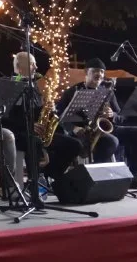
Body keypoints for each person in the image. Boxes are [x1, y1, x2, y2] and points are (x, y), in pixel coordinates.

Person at [56, 58, 137, 185]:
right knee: (111, 141)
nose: (99, 74)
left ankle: (134, 176)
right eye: (95, 71)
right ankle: (98, 178)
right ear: (86, 72)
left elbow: (121, 116)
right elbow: (59, 115)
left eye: (101, 71)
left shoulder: (107, 91)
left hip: (107, 129)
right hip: (85, 132)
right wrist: (73, 128)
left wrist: (112, 115)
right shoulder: (72, 91)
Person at [7, 52, 84, 181]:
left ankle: (51, 175)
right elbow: (6, 118)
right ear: (19, 67)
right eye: (32, 64)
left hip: (37, 132)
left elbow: (38, 111)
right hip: (18, 133)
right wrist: (28, 125)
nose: (36, 67)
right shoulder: (8, 86)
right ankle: (35, 182)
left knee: (75, 145)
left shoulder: (33, 86)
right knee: (35, 142)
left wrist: (49, 110)